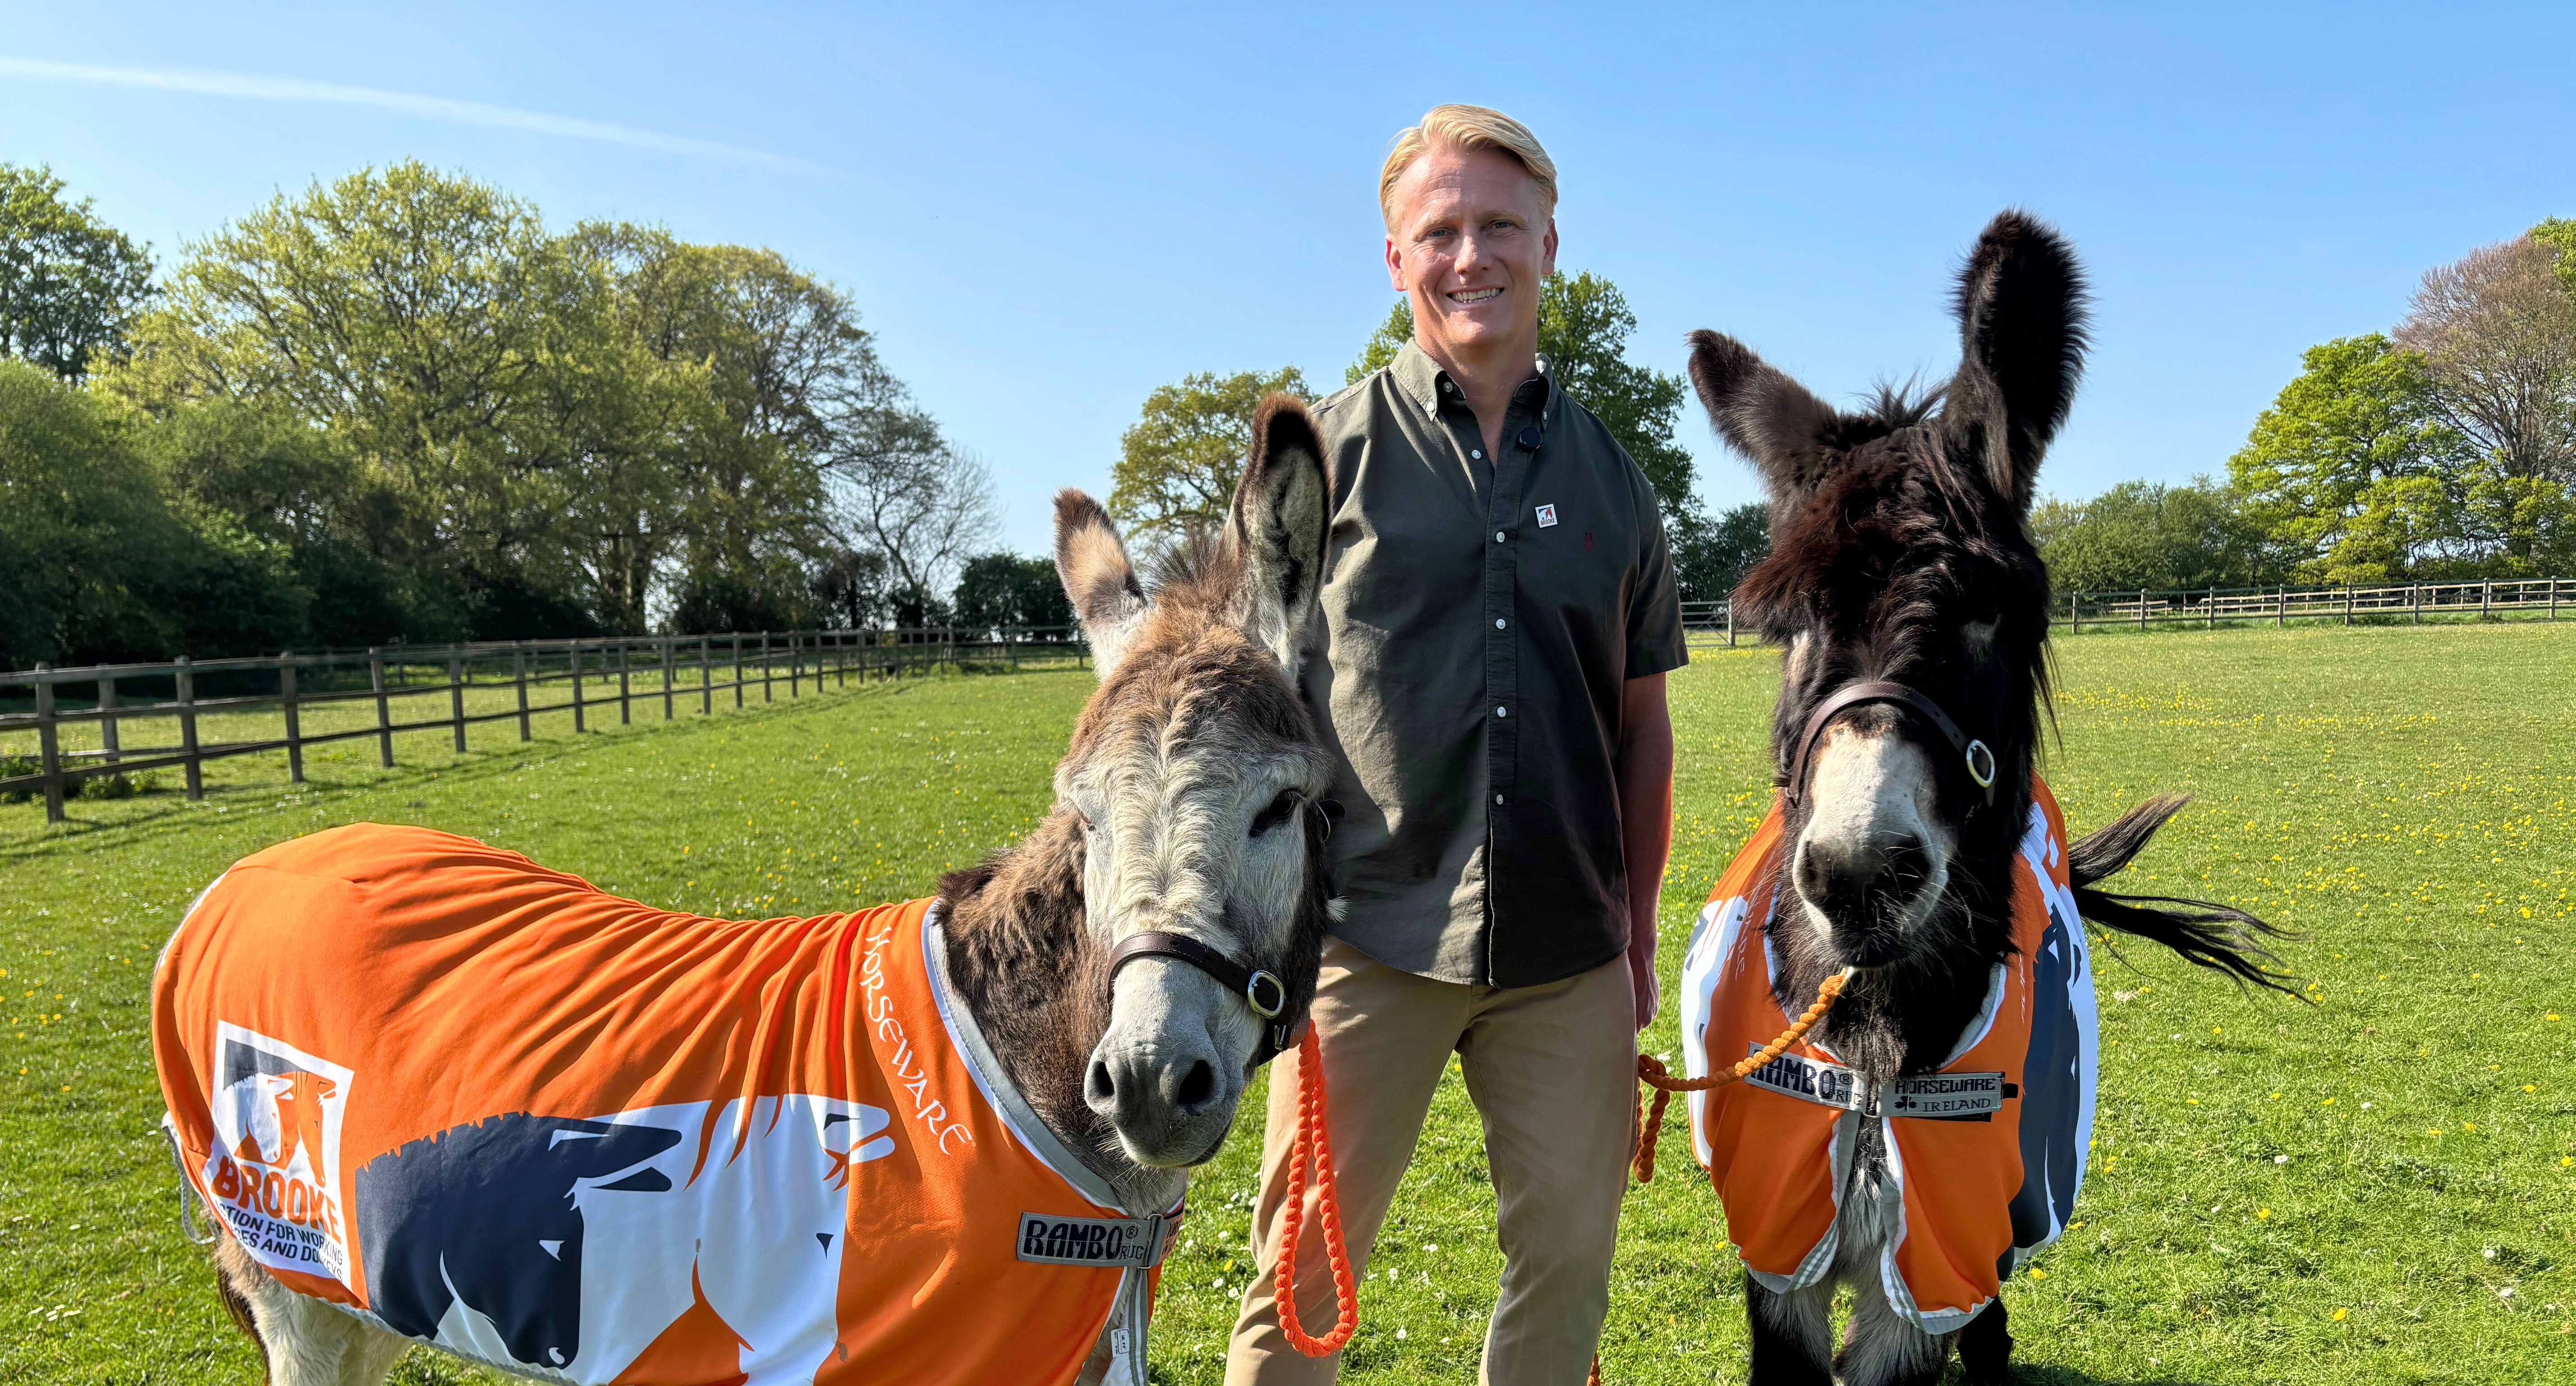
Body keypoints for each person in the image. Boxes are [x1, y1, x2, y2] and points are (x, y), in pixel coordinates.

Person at [1226, 104, 1686, 1385]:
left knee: (1570, 1274)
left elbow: (1643, 731)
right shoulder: (1322, 460)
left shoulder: (1616, 484)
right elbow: (1246, 712)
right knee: (1298, 1284)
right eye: (1439, 232)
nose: (1470, 255)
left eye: (1500, 225)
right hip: (1362, 940)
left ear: (1550, 244)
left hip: (1568, 954)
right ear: (1395, 259)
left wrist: (1639, 938)